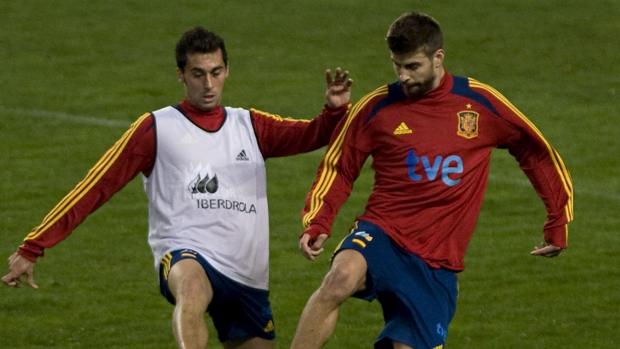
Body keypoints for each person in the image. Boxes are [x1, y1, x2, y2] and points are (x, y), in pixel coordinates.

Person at [2, 27, 352, 349]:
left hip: (247, 273)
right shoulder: (156, 128)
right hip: (187, 252)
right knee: (192, 287)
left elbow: (314, 134)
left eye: (216, 72)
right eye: (198, 74)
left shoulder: (250, 125)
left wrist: (334, 113)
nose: (208, 84)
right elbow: (94, 187)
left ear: (227, 70)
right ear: (181, 75)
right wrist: (34, 246)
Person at [291, 11, 573, 349]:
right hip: (384, 232)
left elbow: (535, 150)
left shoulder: (479, 104)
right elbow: (340, 165)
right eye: (397, 66)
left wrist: (558, 220)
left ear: (438, 58)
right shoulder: (377, 108)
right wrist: (318, 220)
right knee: (339, 280)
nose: (403, 76)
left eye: (412, 66)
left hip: (437, 262)